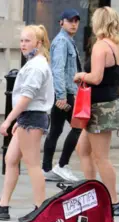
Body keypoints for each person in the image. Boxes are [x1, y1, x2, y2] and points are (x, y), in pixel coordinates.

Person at [0, 25, 54, 222]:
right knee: (11, 159)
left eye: (28, 41)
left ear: (38, 43)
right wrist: (18, 121)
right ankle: (3, 205)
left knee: (33, 165)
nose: (23, 44)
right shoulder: (34, 63)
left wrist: (8, 120)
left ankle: (40, 209)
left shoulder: (37, 66)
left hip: (32, 118)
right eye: (22, 40)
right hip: (28, 118)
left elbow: (27, 97)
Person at [73, 6, 119, 216]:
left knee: (101, 157)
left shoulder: (100, 47)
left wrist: (80, 76)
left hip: (99, 107)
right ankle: (91, 194)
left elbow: (96, 78)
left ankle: (113, 201)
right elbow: (118, 81)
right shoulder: (118, 48)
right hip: (110, 104)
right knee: (82, 150)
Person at [42, 8, 82, 182]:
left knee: (56, 130)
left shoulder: (68, 41)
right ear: (61, 22)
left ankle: (46, 169)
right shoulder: (61, 42)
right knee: (78, 127)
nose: (74, 24)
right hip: (64, 94)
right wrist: (61, 96)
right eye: (70, 20)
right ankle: (62, 165)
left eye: (76, 21)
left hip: (65, 92)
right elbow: (57, 70)